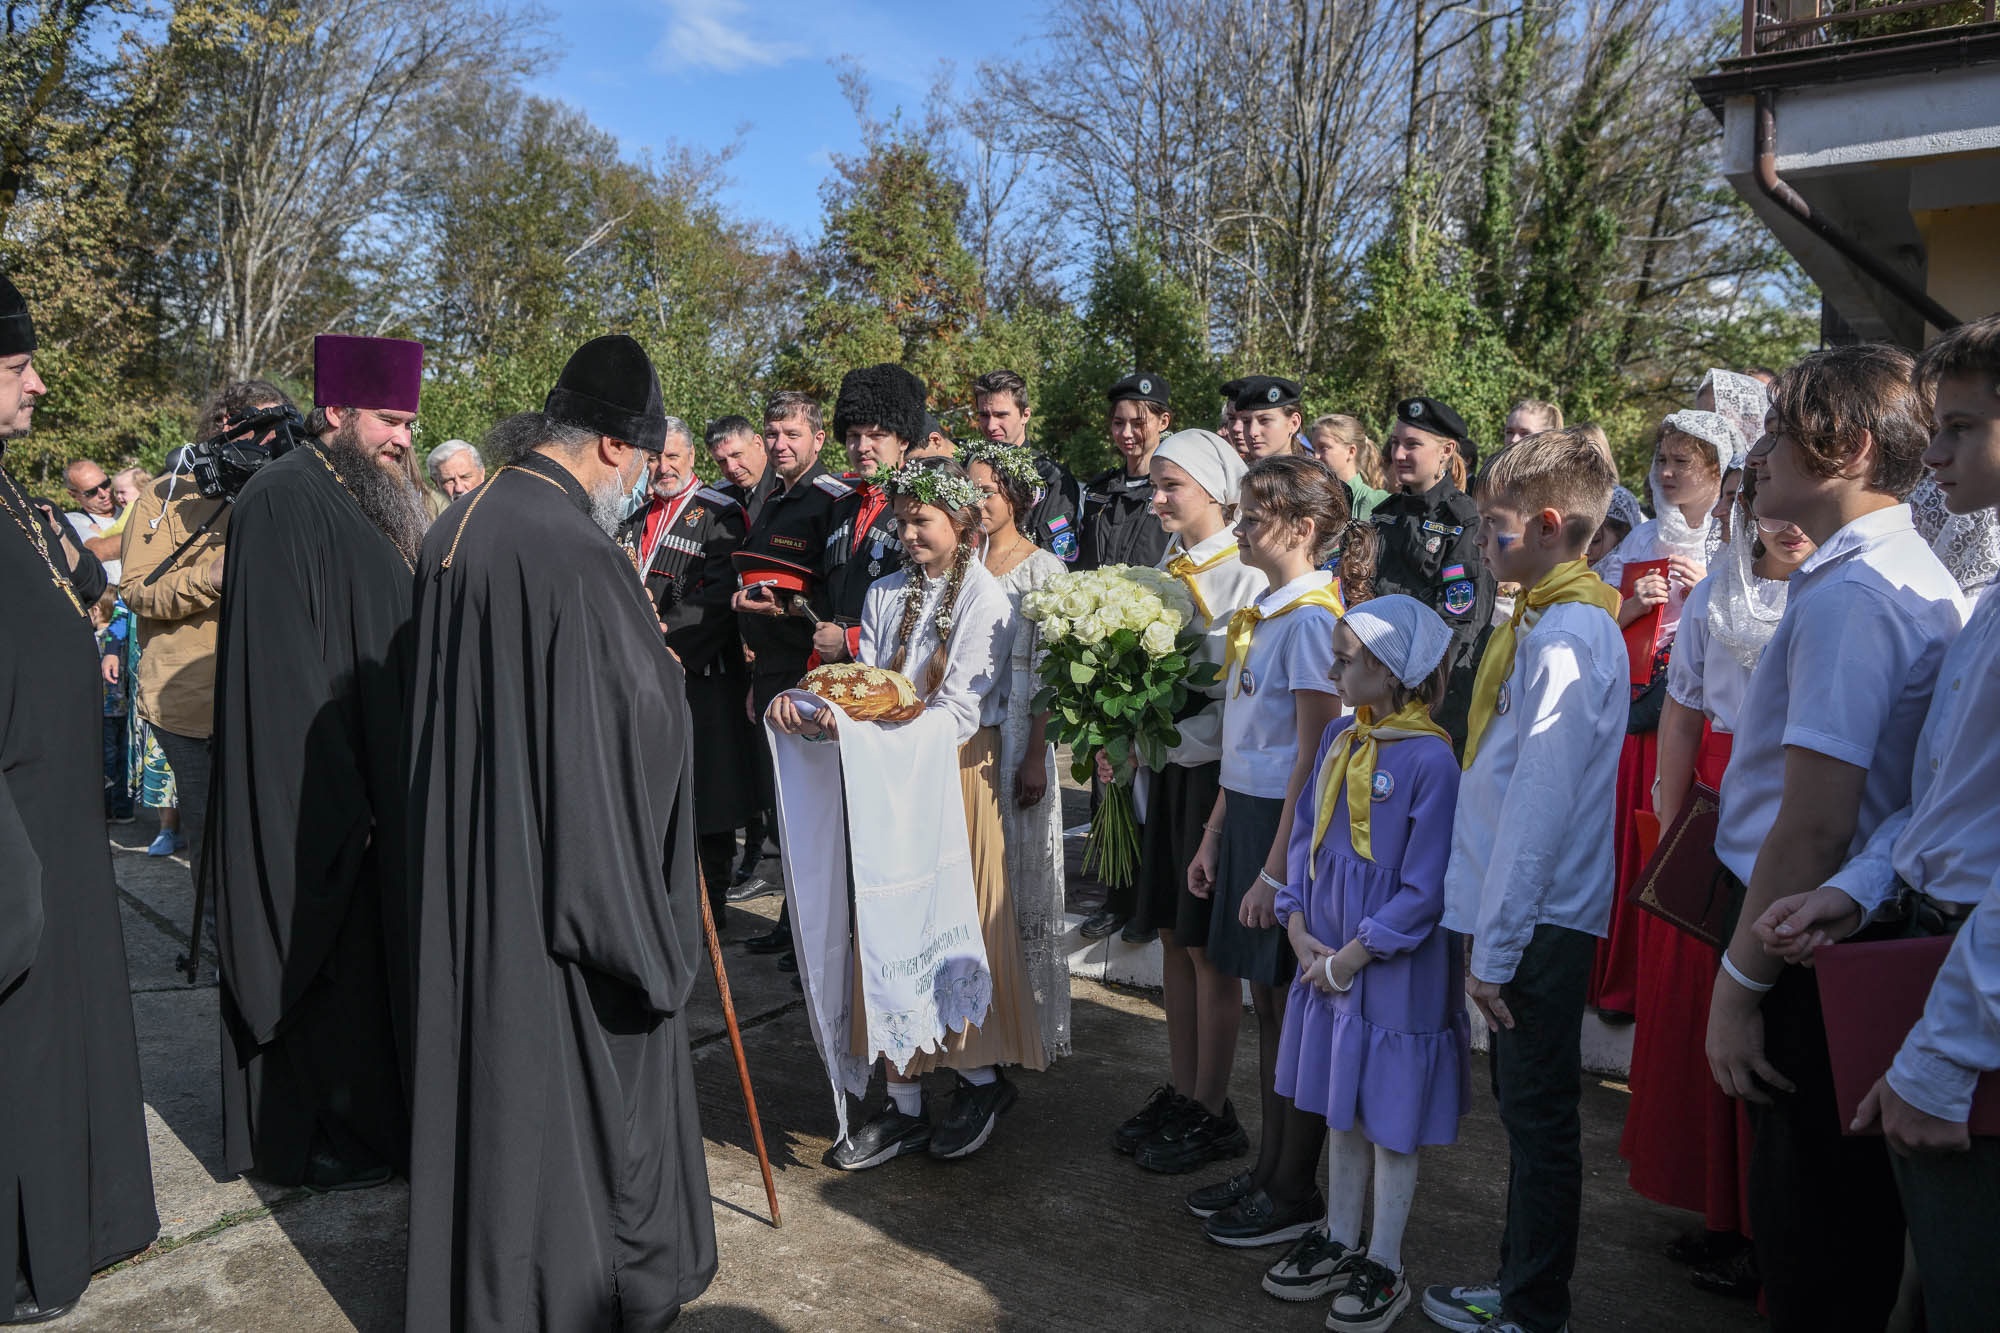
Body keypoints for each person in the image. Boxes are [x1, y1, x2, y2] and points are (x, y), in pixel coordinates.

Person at [404, 336, 717, 1332]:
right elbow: (631, 732)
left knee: (494, 1101)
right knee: (576, 1115)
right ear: (616, 450)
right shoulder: (578, 553)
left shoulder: (462, 520)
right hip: (553, 888)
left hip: (475, 867)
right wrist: (662, 675)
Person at [1702, 345, 1964, 1333]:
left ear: (1845, 449)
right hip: (1839, 922)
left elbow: (1809, 825)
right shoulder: (1885, 569)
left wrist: (1737, 990)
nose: (1758, 451)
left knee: (1812, 1240)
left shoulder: (1854, 597)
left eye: (1777, 432)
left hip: (1810, 940)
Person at [769, 459, 1041, 1168]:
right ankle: (904, 1099)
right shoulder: (886, 591)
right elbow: (866, 687)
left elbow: (957, 709)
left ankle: (980, 1076)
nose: (908, 530)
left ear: (962, 523)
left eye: (923, 520)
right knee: (885, 923)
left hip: (952, 775)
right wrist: (807, 707)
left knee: (950, 923)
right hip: (886, 774)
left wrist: (865, 735)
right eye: (903, 518)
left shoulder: (987, 598)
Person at [208, 333, 427, 1190]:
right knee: (327, 966)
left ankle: (369, 1122)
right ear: (335, 411)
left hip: (381, 775)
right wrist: (348, 793)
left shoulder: (372, 495)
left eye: (409, 421)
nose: (403, 438)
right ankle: (319, 1132)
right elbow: (283, 671)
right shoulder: (281, 497)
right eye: (389, 420)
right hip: (326, 790)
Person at [1423, 429, 1624, 1333]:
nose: (1481, 543)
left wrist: (1495, 949)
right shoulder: (1543, 612)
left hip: (1536, 922)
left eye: (1495, 529)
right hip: (1517, 911)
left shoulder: (1573, 631)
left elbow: (1539, 805)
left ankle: (1534, 1307)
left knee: (1540, 1126)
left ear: (1548, 525)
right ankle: (1518, 1286)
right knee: (1525, 1116)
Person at [0, 269, 158, 1324]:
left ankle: (84, 1221)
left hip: (59, 809)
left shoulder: (12, 490)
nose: (39, 385)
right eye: (17, 367)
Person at [1621, 463, 1813, 1299]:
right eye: (1762, 492)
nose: (1781, 514)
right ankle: (1722, 1213)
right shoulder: (1714, 593)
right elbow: (1683, 707)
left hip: (1796, 810)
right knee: (1704, 1013)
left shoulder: (1833, 596)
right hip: (1712, 805)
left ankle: (1776, 1238)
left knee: (1772, 1024)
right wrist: (1670, 818)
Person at [1266, 595, 1468, 1330]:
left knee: (1388, 1114)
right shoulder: (1339, 740)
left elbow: (1426, 888)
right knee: (1342, 1102)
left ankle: (1385, 1256)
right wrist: (1295, 923)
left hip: (1387, 966)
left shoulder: (1431, 760)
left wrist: (1353, 955)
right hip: (1325, 957)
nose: (1333, 669)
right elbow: (1305, 843)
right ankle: (1341, 1234)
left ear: (1390, 669)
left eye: (1346, 659)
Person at [1183, 456, 1355, 1246]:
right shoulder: (1271, 609)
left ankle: (1293, 1188)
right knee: (1265, 1001)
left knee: (1290, 1008)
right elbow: (1247, 742)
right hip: (1250, 816)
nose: (1242, 526)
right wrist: (1217, 831)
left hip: (1287, 831)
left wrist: (1275, 868)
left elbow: (1313, 759)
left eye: (1255, 515)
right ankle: (1267, 1170)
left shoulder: (1316, 619)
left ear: (1303, 528)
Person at [1109, 429, 1266, 1172]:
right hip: (1165, 771)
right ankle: (1183, 1087)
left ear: (1216, 490)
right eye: (1155, 485)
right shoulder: (1166, 566)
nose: (1158, 497)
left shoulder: (1245, 576)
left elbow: (1236, 701)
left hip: (1209, 777)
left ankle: (1213, 1105)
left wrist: (1159, 737)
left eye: (1173, 485)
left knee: (1207, 947)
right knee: (1173, 932)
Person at [122, 380, 293, 916]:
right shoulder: (167, 494)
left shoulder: (290, 488)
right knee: (211, 832)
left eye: (276, 427)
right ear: (224, 426)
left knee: (276, 830)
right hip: (191, 703)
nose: (267, 440)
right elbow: (137, 590)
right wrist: (214, 575)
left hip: (273, 694)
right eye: (255, 426)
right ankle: (223, 948)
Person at [1587, 410, 1733, 1022]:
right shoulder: (1641, 540)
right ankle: (1622, 981)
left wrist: (1709, 594)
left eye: (1684, 462)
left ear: (1717, 473)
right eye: (1663, 460)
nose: (1668, 472)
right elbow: (1593, 625)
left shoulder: (1732, 543)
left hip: (1700, 727)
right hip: (1640, 717)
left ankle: (1668, 985)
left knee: (1678, 848)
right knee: (1630, 843)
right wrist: (1625, 607)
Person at [624, 415, 758, 921]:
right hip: (643, 674)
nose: (662, 467)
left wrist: (665, 642)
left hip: (699, 673)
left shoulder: (719, 513)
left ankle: (712, 903)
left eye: (672, 456)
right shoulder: (635, 514)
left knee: (709, 792)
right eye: (655, 457)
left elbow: (720, 595)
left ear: (692, 459)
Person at [964, 439, 1071, 1063]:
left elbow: (1053, 672)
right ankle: (981, 1013)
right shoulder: (962, 566)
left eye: (989, 490)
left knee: (1019, 878)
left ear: (1017, 496)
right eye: (972, 489)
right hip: (970, 737)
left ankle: (1026, 1021)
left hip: (1017, 741)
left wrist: (1036, 754)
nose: (979, 502)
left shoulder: (1041, 569)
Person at [734, 391, 849, 963]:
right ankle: (791, 922)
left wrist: (780, 611)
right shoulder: (768, 496)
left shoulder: (829, 500)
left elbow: (831, 590)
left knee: (811, 807)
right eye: (773, 434)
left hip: (807, 669)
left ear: (818, 440)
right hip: (769, 667)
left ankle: (813, 931)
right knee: (781, 803)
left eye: (792, 436)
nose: (780, 445)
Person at [1372, 397, 1496, 752]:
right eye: (1395, 443)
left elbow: (1460, 624)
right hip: (1376, 691)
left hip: (1434, 700)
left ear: (1446, 451)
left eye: (1412, 445)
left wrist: (1411, 687)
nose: (1398, 454)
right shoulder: (1384, 515)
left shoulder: (1463, 522)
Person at [817, 364, 922, 665]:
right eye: (853, 435)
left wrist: (850, 639)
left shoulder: (922, 506)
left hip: (895, 665)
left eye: (876, 435)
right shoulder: (842, 506)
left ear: (903, 440)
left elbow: (929, 593)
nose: (862, 447)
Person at [973, 368, 1084, 564]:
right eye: (984, 415)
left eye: (1001, 415)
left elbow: (1056, 559)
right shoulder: (969, 470)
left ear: (1025, 415)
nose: (991, 425)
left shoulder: (1052, 479)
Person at [1080, 372, 1172, 570]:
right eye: (1118, 423)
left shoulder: (1173, 492)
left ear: (1163, 422)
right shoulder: (1099, 491)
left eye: (1138, 424)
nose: (1126, 434)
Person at [1309, 414, 1389, 521]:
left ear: (1351, 452)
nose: (1315, 456)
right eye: (1314, 449)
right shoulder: (1312, 499)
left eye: (1324, 448)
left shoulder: (1377, 503)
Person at [64, 457, 124, 583]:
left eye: (105, 484)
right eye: (91, 492)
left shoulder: (131, 507)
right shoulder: (74, 520)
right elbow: (97, 551)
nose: (103, 494)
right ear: (73, 495)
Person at [709, 413, 776, 524]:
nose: (731, 468)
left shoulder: (788, 486)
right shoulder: (720, 495)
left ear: (758, 444)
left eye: (736, 455)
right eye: (722, 461)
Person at [1235, 376, 1308, 462]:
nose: (1252, 432)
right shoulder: (1240, 471)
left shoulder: (1308, 475)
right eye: (1246, 422)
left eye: (1264, 420)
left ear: (1294, 423)